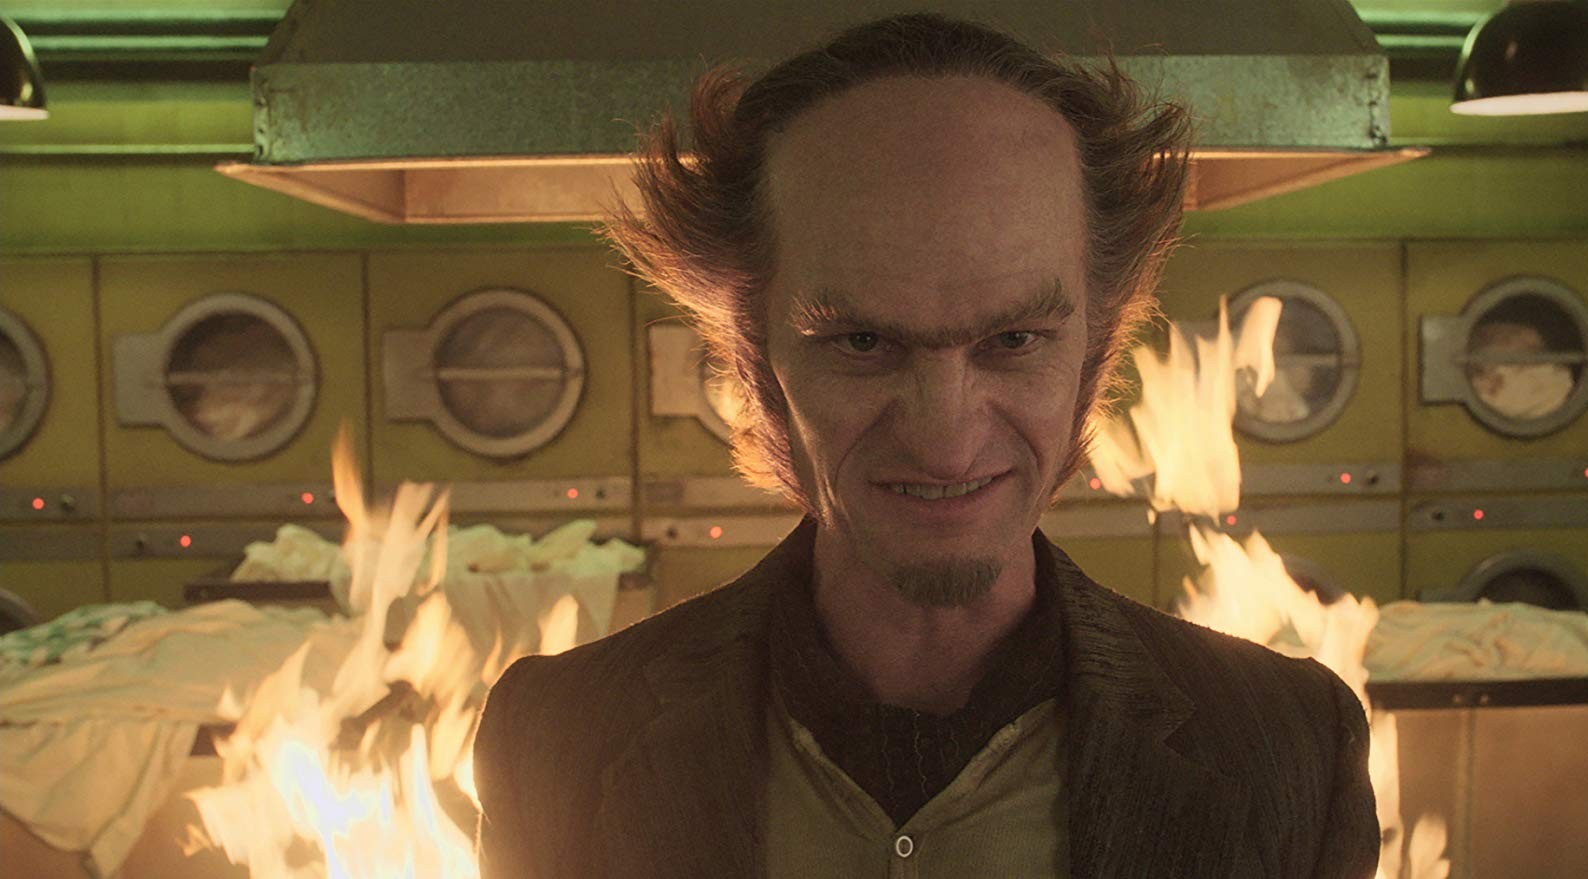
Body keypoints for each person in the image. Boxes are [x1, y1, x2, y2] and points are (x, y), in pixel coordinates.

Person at [474, 13, 1379, 878]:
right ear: (753, 359)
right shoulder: (559, 737)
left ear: (1094, 349)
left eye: (1013, 340)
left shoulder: (1284, 743)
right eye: (862, 342)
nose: (945, 438)